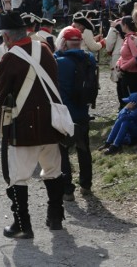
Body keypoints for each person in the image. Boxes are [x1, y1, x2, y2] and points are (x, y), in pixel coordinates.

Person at [0, 11, 65, 239]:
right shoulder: (45, 49)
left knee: (18, 176)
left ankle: (23, 225)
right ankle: (56, 217)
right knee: (53, 170)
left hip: (24, 127)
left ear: (7, 37)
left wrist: (2, 128)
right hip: (51, 123)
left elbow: (5, 97)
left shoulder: (9, 58)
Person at [55, 27, 97, 201]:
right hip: (82, 112)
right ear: (80, 42)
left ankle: (67, 189)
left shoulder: (58, 61)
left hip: (64, 114)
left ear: (64, 43)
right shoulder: (90, 59)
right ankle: (86, 185)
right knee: (84, 149)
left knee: (63, 152)